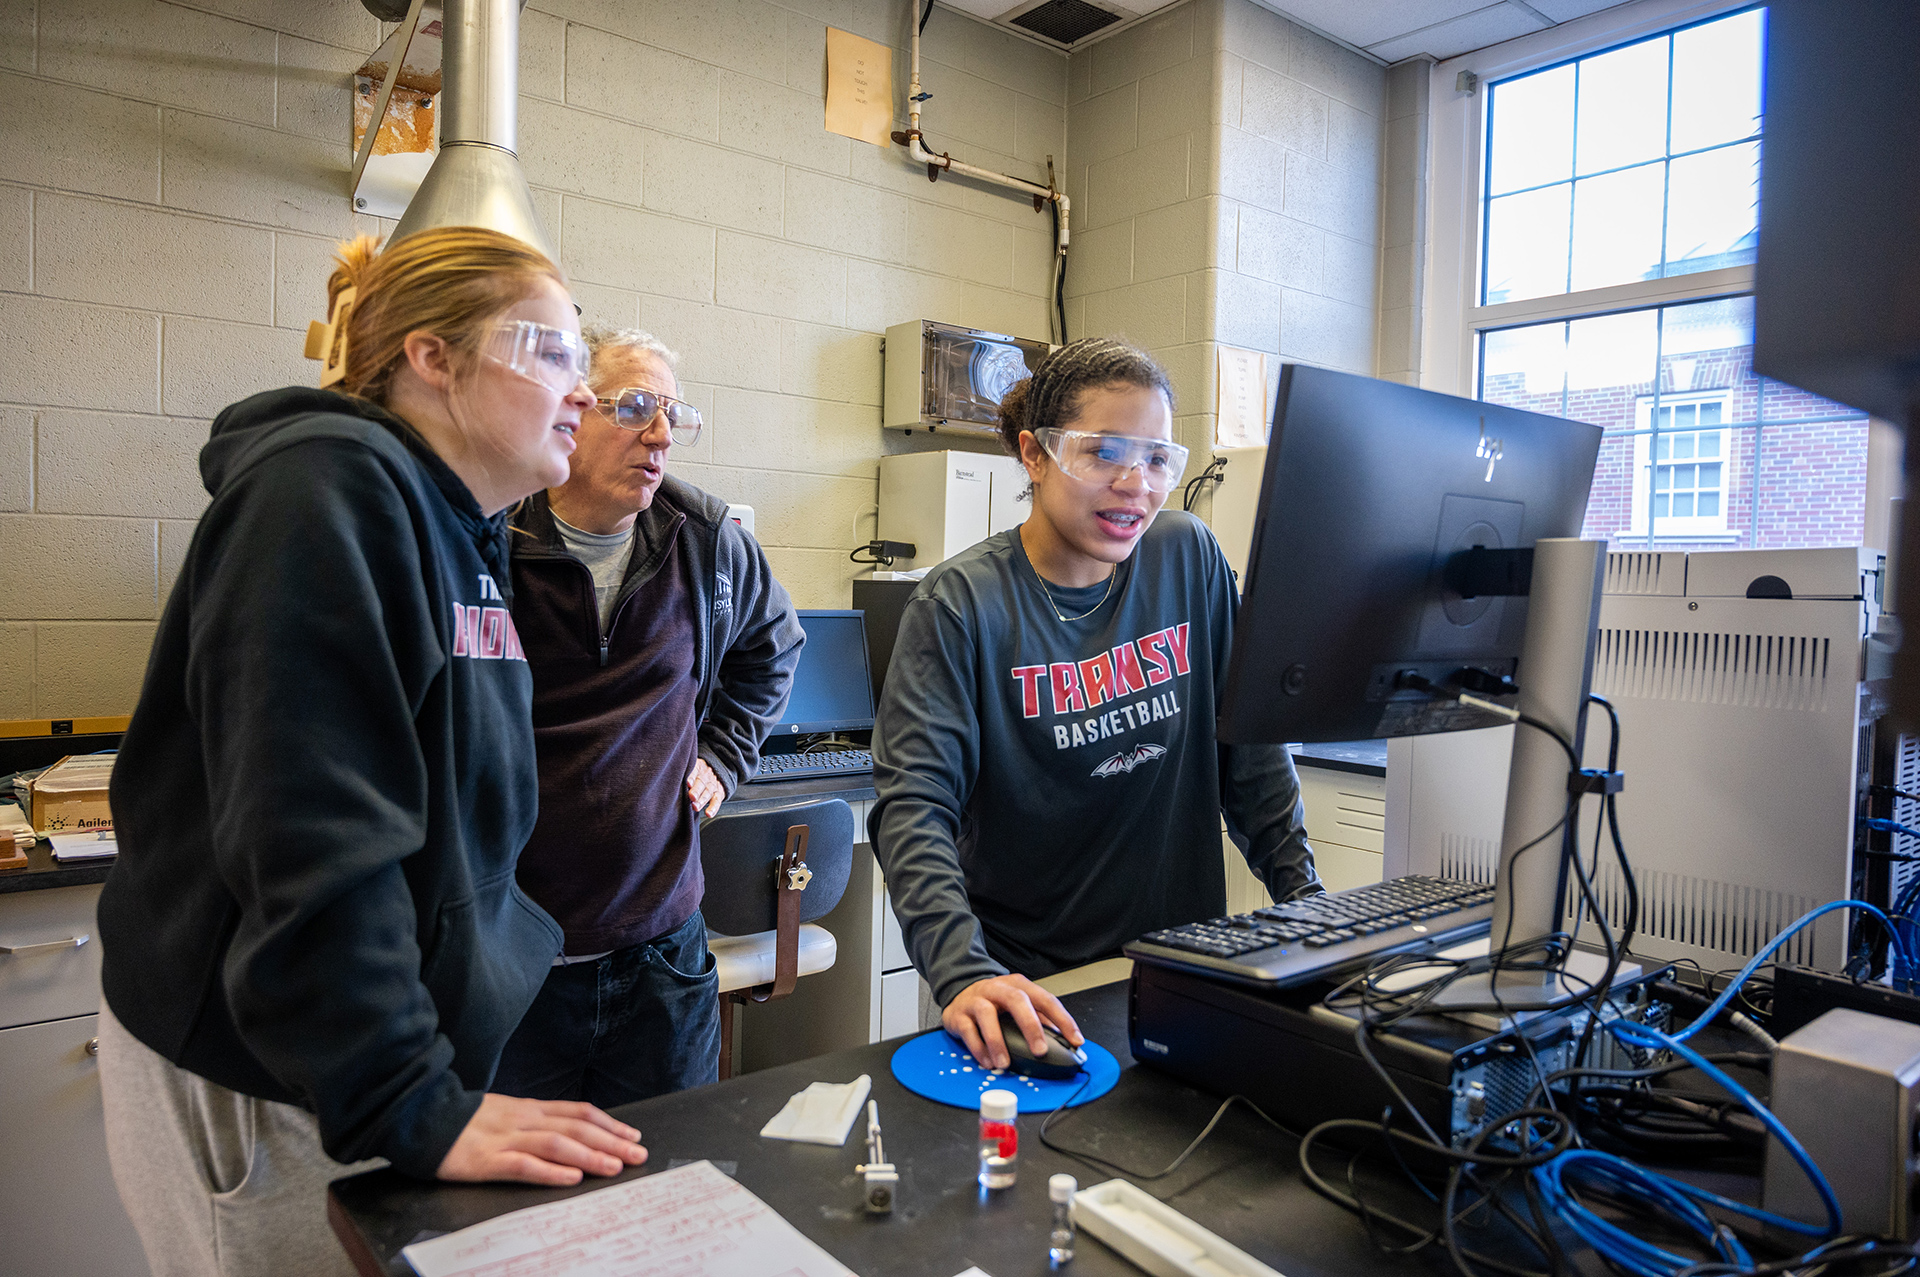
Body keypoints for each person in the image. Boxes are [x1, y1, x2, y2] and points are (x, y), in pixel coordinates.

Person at [94, 227, 648, 1277]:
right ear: (431, 358)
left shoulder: (464, 529)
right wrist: (410, 1097)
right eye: (552, 353)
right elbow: (312, 831)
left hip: (357, 1058)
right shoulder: (326, 489)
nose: (584, 390)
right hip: (271, 1072)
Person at [870, 336, 1322, 1071]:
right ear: (1036, 454)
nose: (1134, 484)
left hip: (1186, 964)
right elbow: (915, 808)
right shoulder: (960, 606)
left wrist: (1308, 901)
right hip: (1033, 988)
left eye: (1155, 459)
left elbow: (1250, 750)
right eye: (1104, 453)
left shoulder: (1189, 557)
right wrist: (964, 972)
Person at [494, 326, 803, 1107]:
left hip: (662, 962)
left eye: (672, 413)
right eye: (635, 407)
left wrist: (725, 755)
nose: (662, 434)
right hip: (514, 965)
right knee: (516, 1216)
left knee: (672, 1185)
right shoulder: (491, 537)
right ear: (570, 410)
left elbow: (774, 649)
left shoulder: (704, 540)